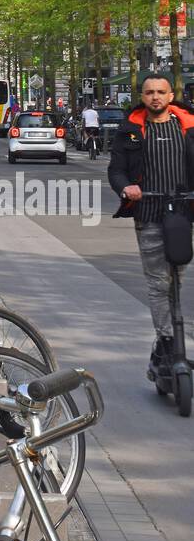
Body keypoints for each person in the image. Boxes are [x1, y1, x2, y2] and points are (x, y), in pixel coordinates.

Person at [108, 74, 194, 384]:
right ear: (142, 97)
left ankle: (167, 342)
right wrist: (127, 187)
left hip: (183, 214)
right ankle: (169, 342)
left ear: (171, 95)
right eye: (149, 92)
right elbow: (115, 170)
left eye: (161, 92)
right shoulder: (129, 131)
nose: (155, 97)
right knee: (159, 282)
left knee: (177, 279)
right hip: (149, 213)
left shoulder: (188, 127)